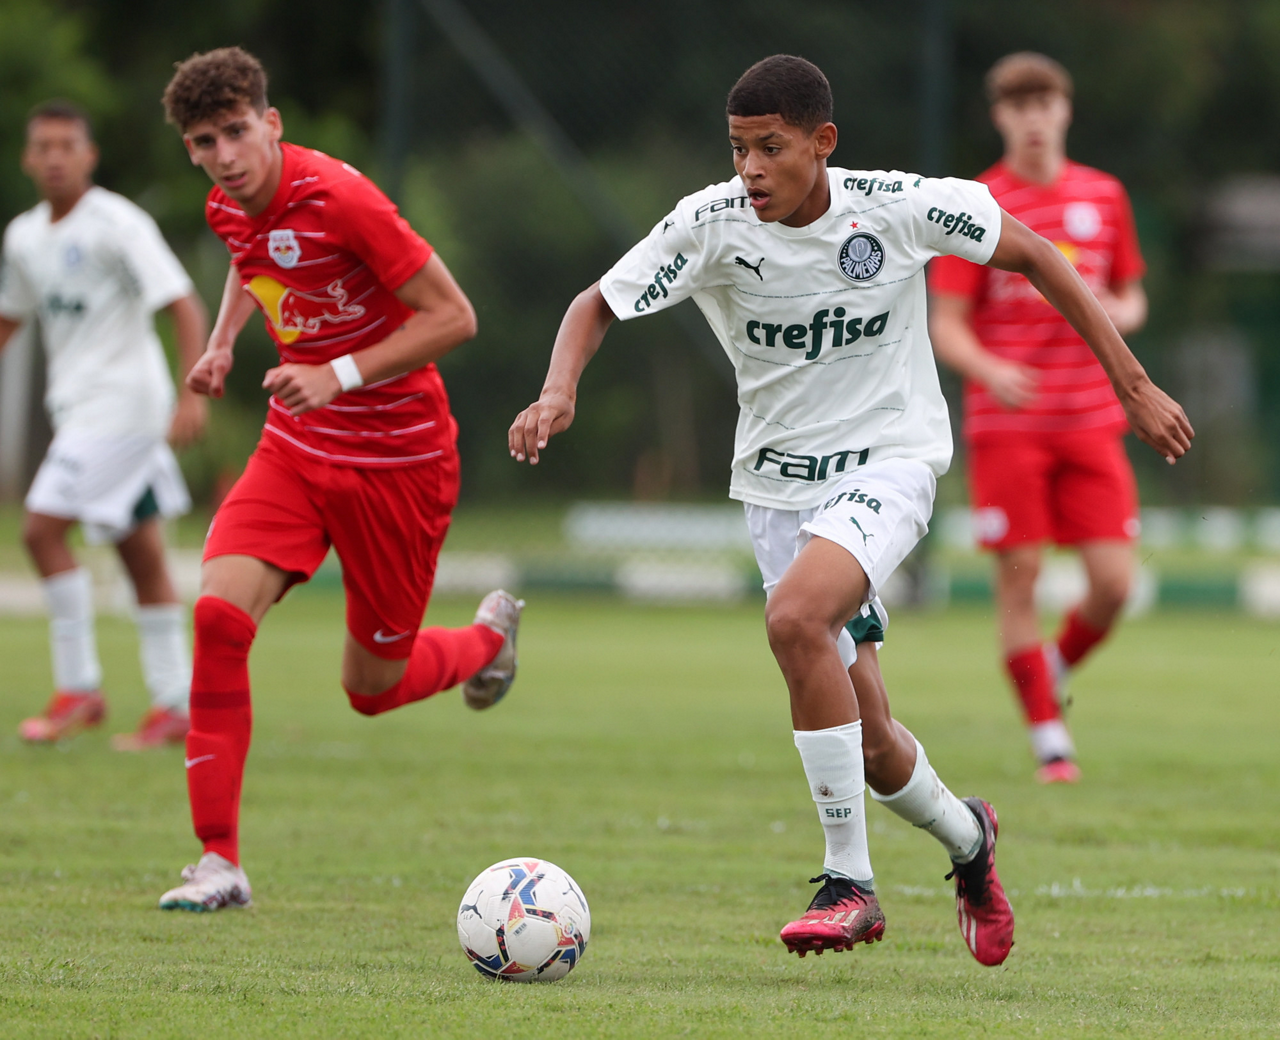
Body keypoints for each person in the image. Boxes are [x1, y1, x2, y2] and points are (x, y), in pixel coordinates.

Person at [510, 55, 1191, 962]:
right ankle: (971, 839)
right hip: (776, 490)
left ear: (822, 142)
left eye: (771, 148)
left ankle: (849, 884)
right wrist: (558, 391)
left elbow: (1034, 254)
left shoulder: (899, 207)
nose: (750, 169)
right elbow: (594, 303)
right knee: (872, 744)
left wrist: (1133, 386)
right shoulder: (710, 224)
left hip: (889, 464)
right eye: (738, 149)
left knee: (795, 619)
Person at [155, 47, 523, 912]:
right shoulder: (225, 205)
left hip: (400, 461)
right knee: (217, 619)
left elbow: (454, 317)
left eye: (236, 132)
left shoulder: (344, 200)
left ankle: (485, 643)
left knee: (372, 689)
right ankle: (219, 863)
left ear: (271, 123)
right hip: (296, 447)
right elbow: (251, 258)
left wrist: (339, 374)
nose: (225, 156)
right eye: (204, 141)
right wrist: (222, 343)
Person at [928, 53, 1151, 784]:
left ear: (1065, 110)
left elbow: (1132, 296)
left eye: (1044, 103)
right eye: (1018, 106)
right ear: (1000, 116)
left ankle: (1049, 669)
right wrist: (991, 370)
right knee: (1019, 582)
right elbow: (946, 322)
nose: (1033, 118)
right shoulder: (977, 204)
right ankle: (1050, 739)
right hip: (1010, 426)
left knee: (1114, 585)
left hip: (1091, 419)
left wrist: (1119, 313)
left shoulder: (1104, 195)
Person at [0, 100, 208, 750]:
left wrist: (192, 392)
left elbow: (183, 303)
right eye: (44, 146)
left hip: (122, 408)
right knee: (139, 552)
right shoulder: (24, 236)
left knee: (40, 531)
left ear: (89, 155)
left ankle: (80, 688)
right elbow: (10, 317)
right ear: (28, 158)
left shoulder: (119, 223)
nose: (55, 157)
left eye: (68, 145)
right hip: (80, 408)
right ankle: (176, 703)